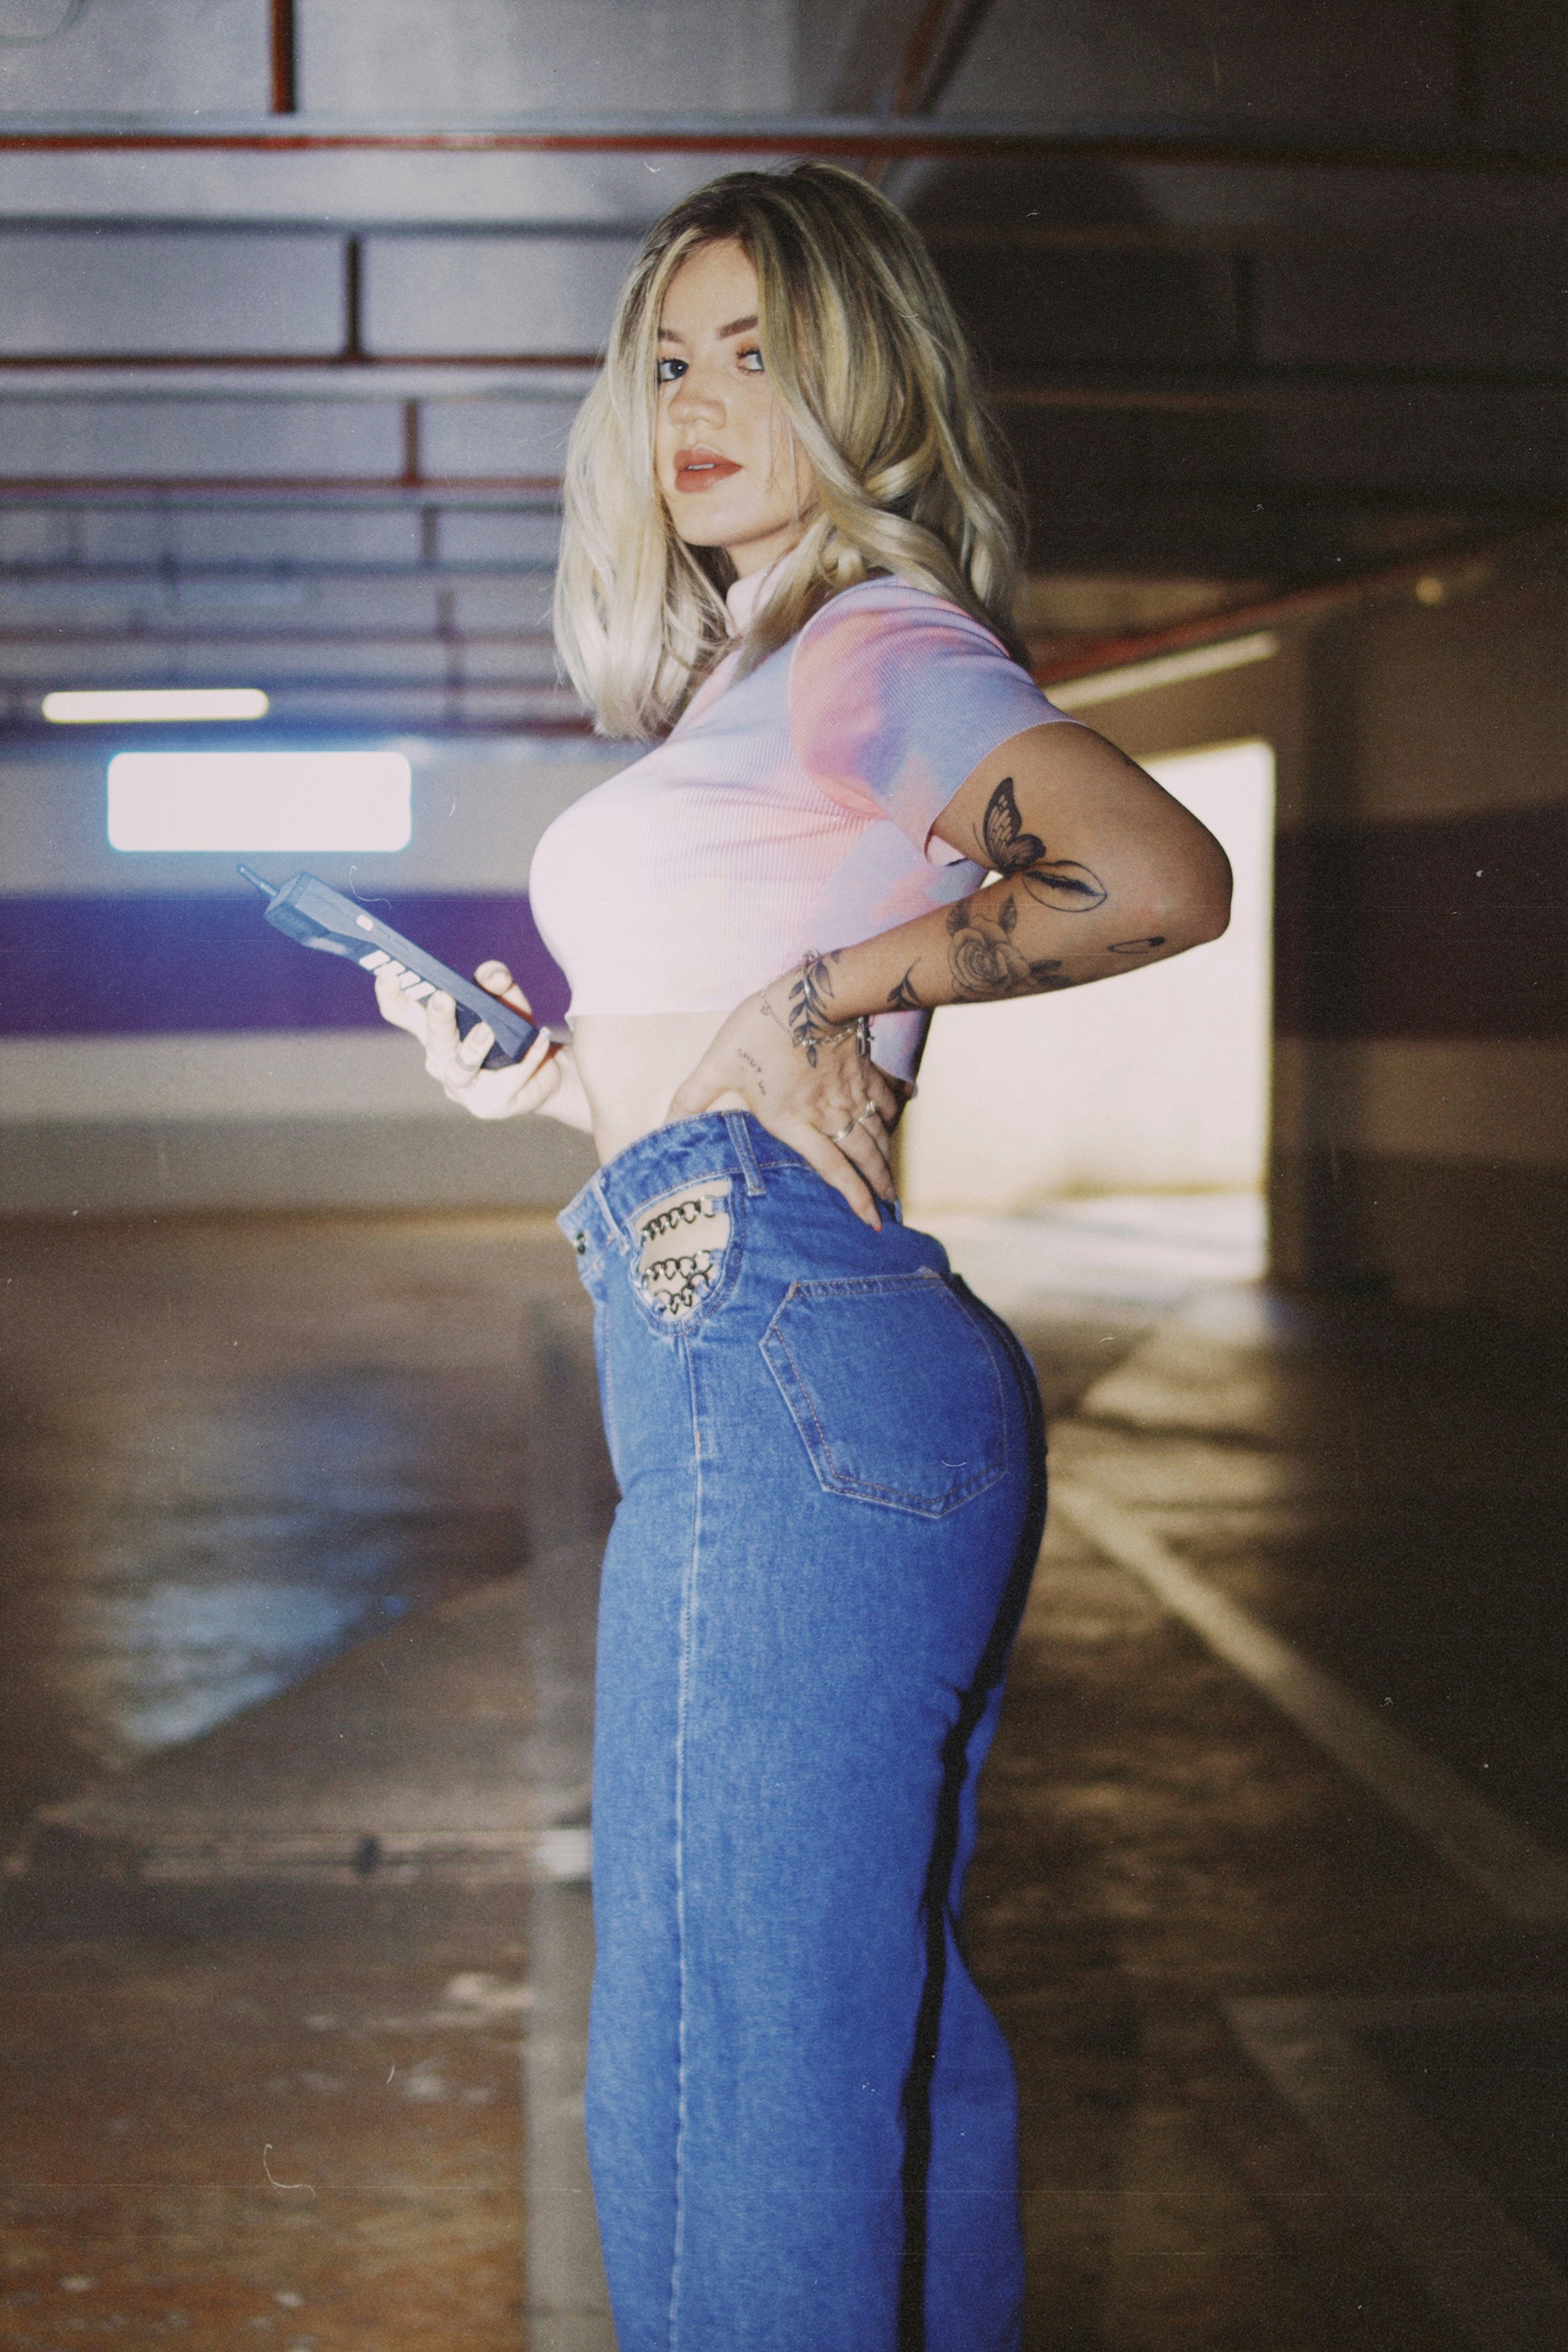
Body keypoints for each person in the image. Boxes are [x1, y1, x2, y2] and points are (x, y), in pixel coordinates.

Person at [376, 163, 1230, 2352]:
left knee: (726, 2083)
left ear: (866, 380)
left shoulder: (872, 642)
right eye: (669, 359)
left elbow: (1150, 874)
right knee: (864, 2051)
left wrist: (832, 990)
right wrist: (552, 1083)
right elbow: (721, 1057)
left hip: (781, 1358)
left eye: (758, 355)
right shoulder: (765, 675)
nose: (697, 401)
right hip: (779, 1338)